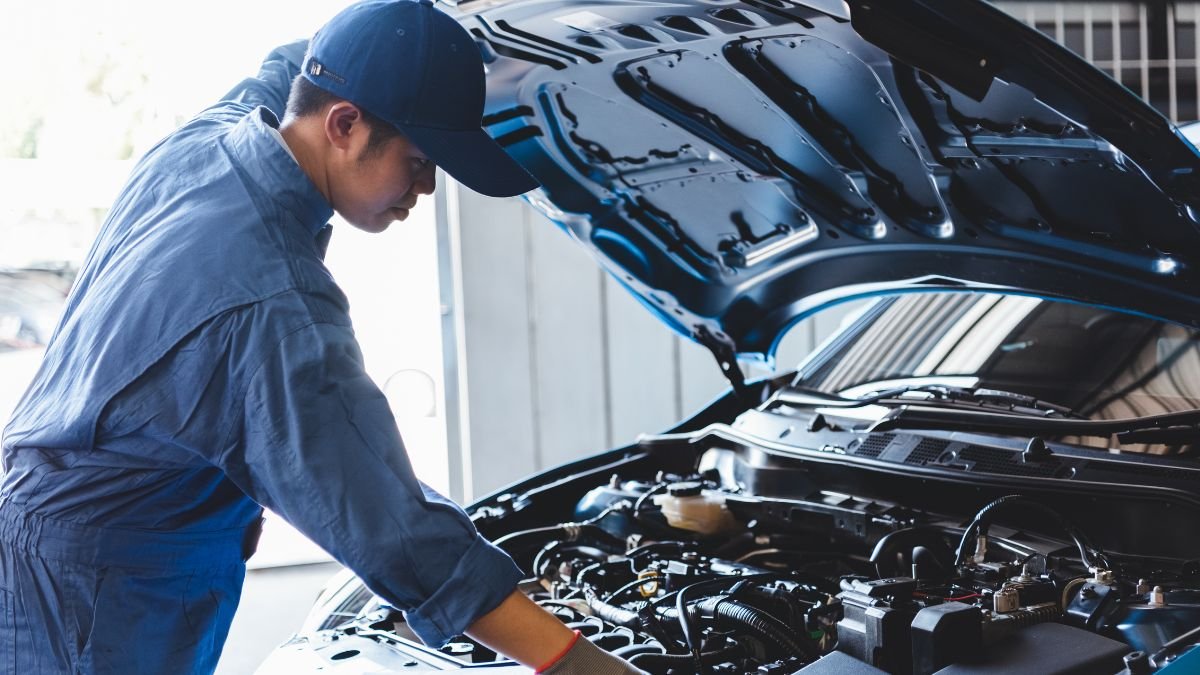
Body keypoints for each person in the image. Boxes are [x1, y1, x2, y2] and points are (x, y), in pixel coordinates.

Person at [0, 1, 643, 673]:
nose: (424, 188)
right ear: (343, 123)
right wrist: (582, 663)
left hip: (92, 554)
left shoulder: (212, 140)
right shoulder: (270, 303)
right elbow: (397, 532)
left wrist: (419, 37)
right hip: (89, 601)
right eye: (420, 160)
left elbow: (292, 65)